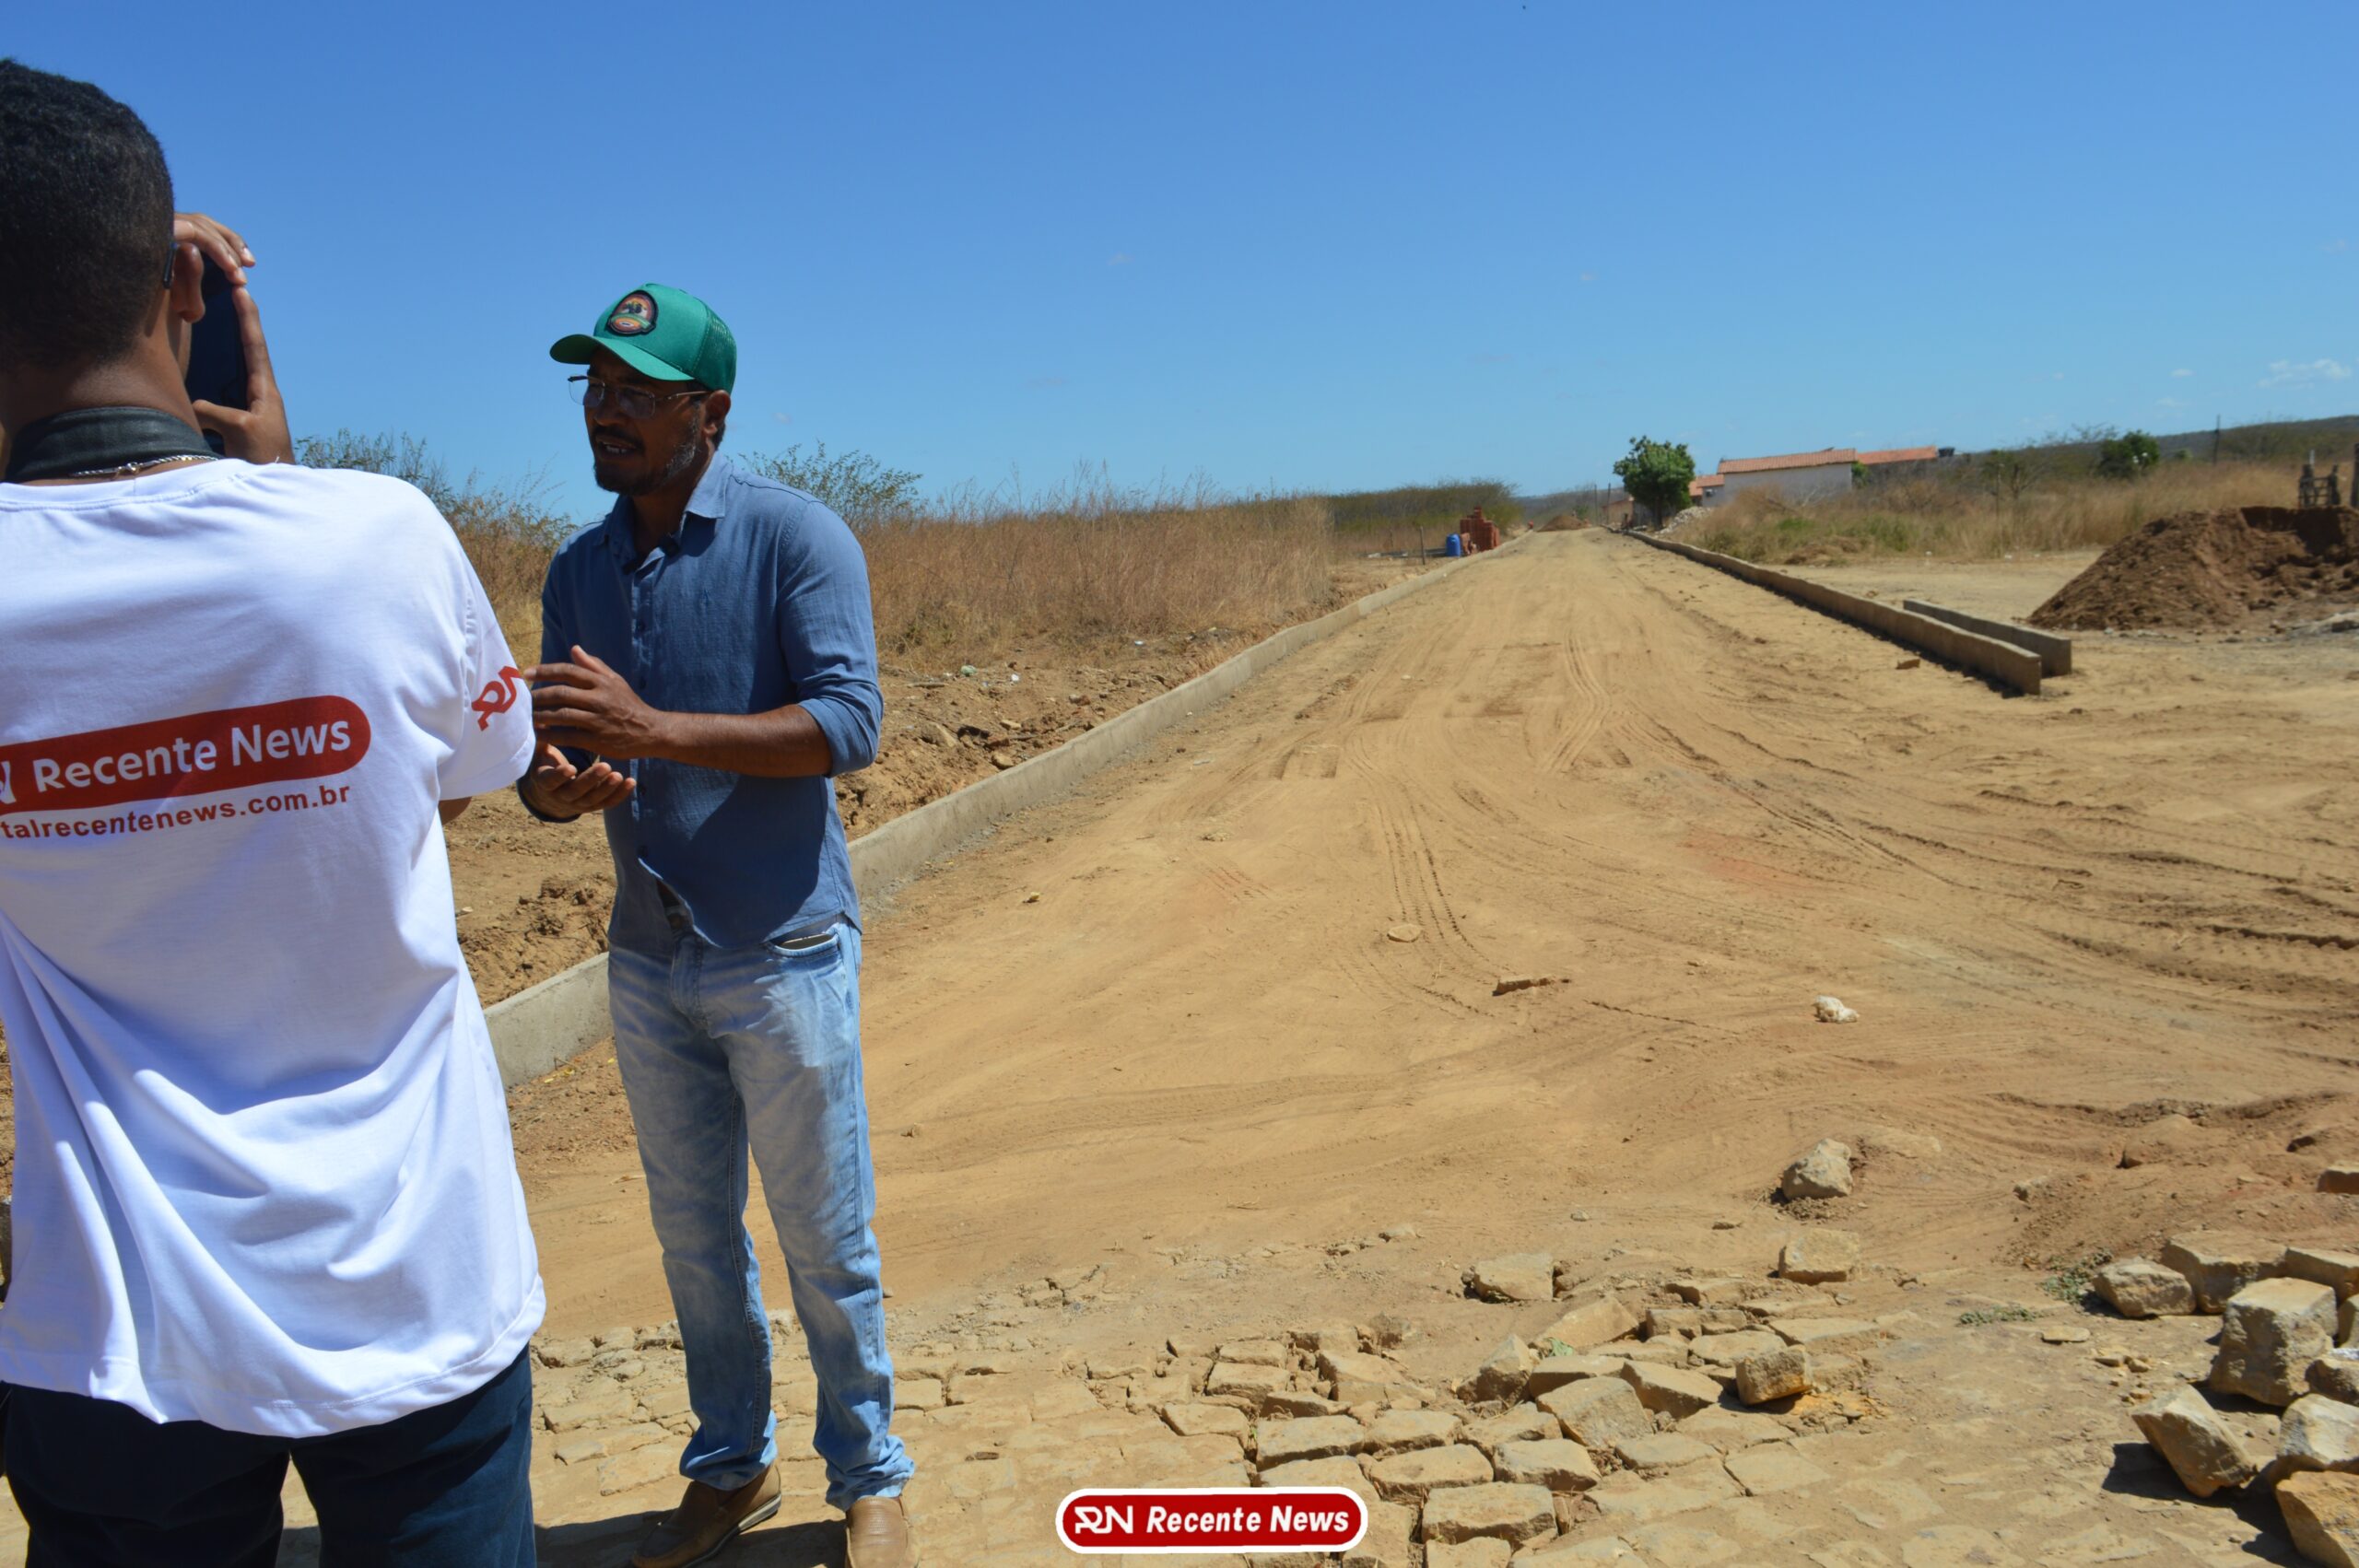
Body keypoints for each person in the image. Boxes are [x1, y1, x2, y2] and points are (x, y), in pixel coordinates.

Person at [0, 62, 542, 1565]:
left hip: (113, 1334)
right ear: (186, 284)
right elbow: (456, 782)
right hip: (412, 1287)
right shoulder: (375, 542)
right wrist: (276, 486)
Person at [519, 285, 915, 1568]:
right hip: (649, 958)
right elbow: (547, 758)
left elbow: (849, 724)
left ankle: (869, 1476)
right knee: (695, 1243)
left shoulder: (796, 537)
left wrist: (656, 731)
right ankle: (732, 1465)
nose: (608, 410)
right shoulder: (578, 571)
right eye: (596, 386)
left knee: (824, 1236)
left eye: (638, 392)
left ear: (712, 412)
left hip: (782, 946)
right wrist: (555, 787)